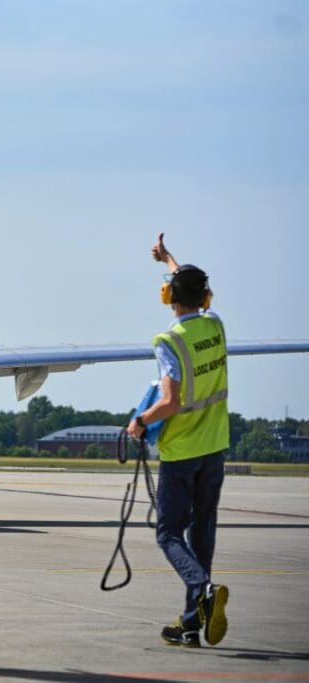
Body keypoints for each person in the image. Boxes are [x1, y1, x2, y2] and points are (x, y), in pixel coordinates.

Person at [127, 233, 230, 648]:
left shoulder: (168, 341)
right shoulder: (215, 324)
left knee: (168, 534)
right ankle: (191, 623)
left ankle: (202, 588)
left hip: (182, 452)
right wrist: (169, 259)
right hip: (215, 447)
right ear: (205, 297)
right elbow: (189, 285)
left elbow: (170, 401)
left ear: (169, 296)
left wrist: (139, 421)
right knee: (201, 533)